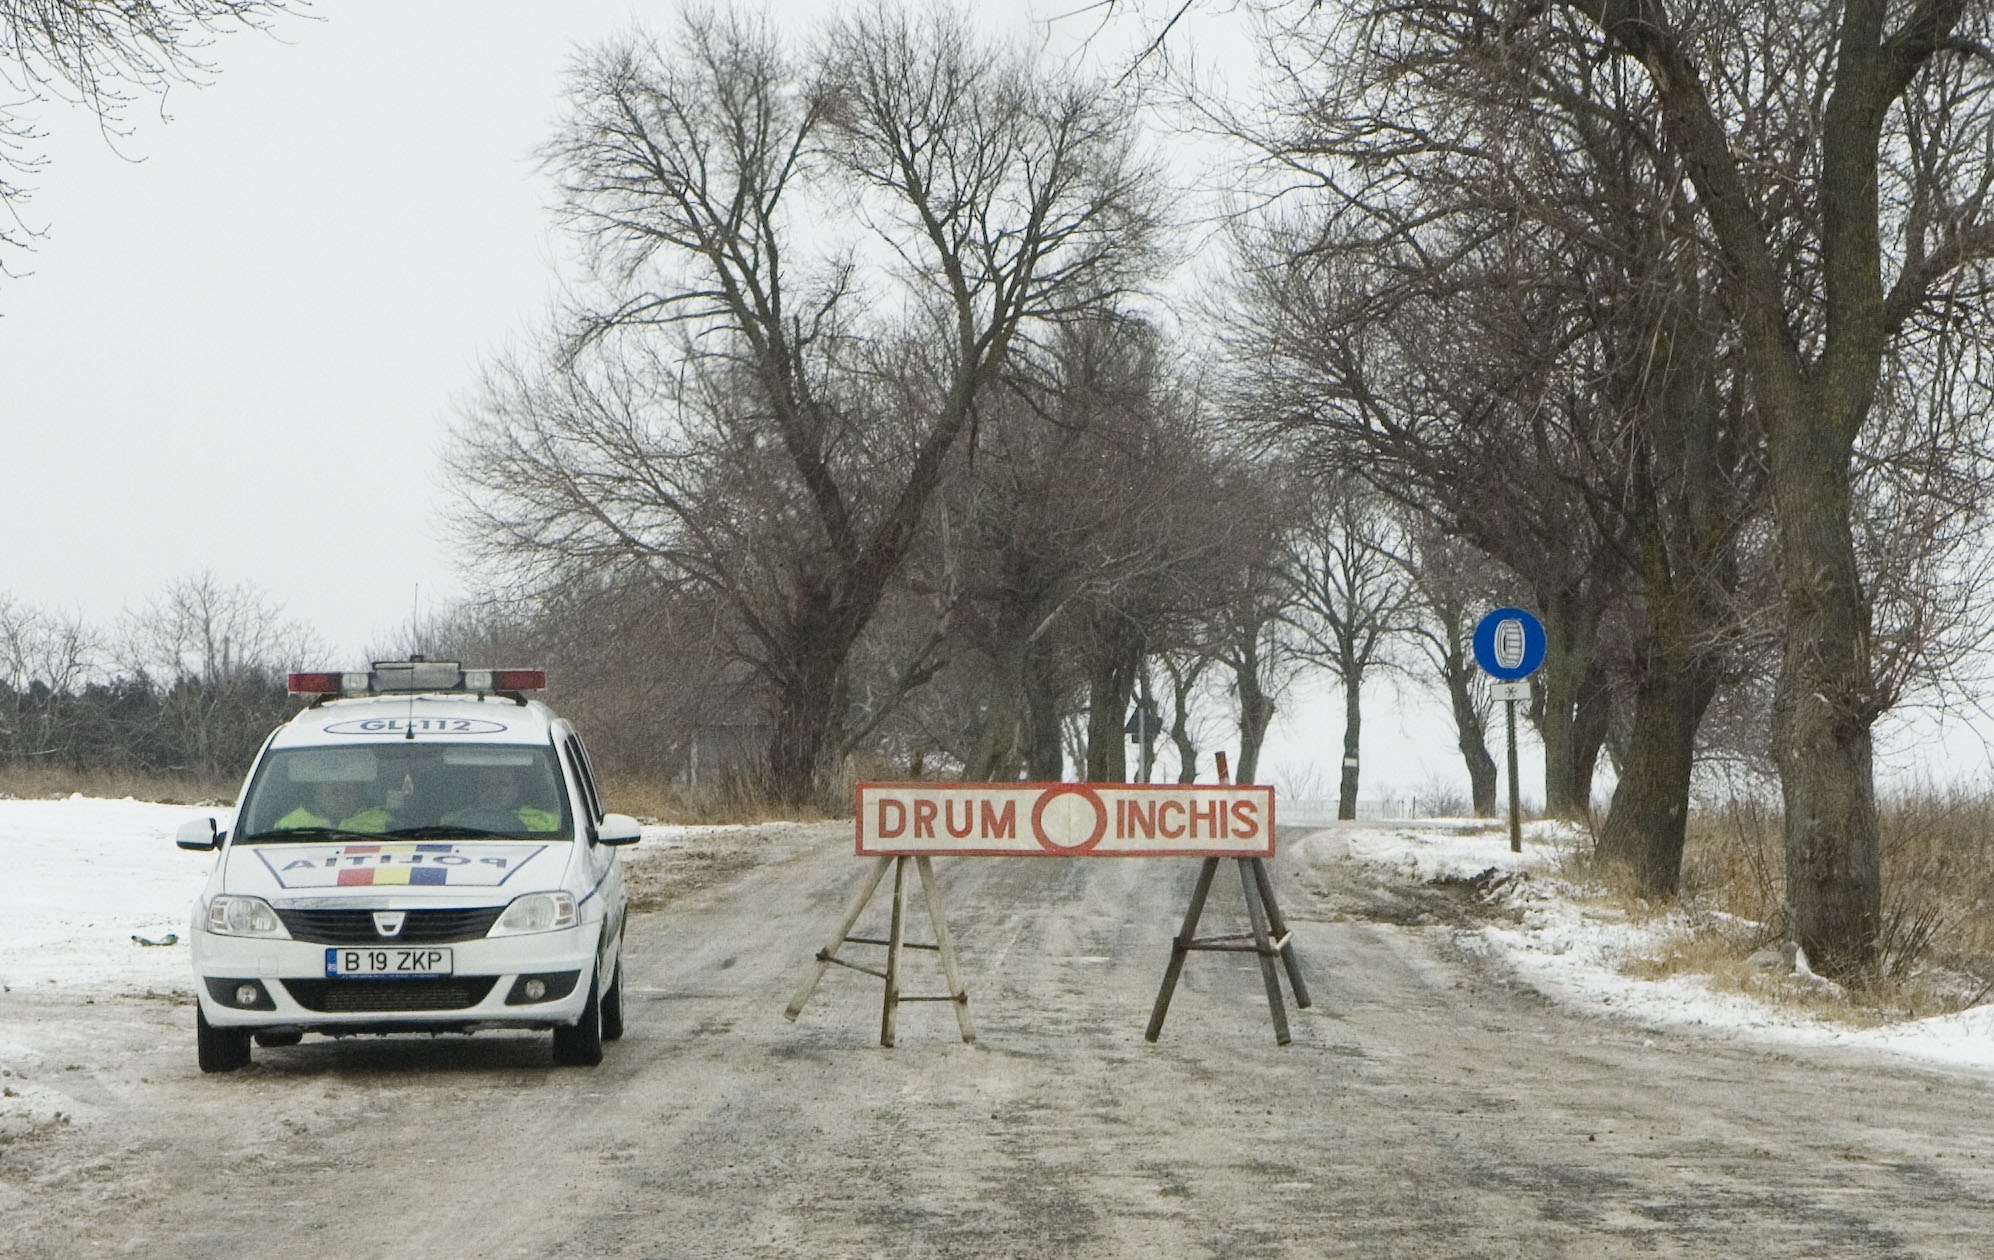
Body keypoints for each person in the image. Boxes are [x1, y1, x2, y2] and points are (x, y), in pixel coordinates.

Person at [439, 765, 560, 835]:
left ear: (517, 787)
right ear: (476, 787)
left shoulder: (547, 822)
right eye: (486, 783)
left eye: (502, 784)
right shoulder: (450, 821)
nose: (493, 791)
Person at [275, 779, 392, 834]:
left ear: (358, 794)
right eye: (333, 792)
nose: (342, 798)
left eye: (348, 791)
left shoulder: (385, 821)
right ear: (317, 795)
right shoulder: (287, 825)